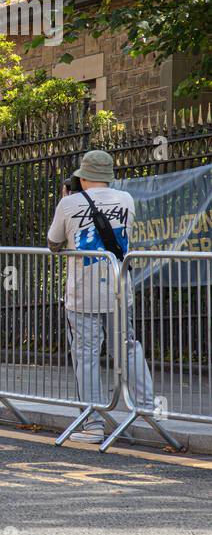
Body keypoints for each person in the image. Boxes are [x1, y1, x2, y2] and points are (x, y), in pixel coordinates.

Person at [48, 149, 155, 443]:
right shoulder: (127, 200)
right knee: (127, 347)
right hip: (119, 290)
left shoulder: (68, 204)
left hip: (83, 293)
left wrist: (63, 202)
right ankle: (147, 408)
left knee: (86, 355)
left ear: (82, 178)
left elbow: (53, 243)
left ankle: (92, 423)